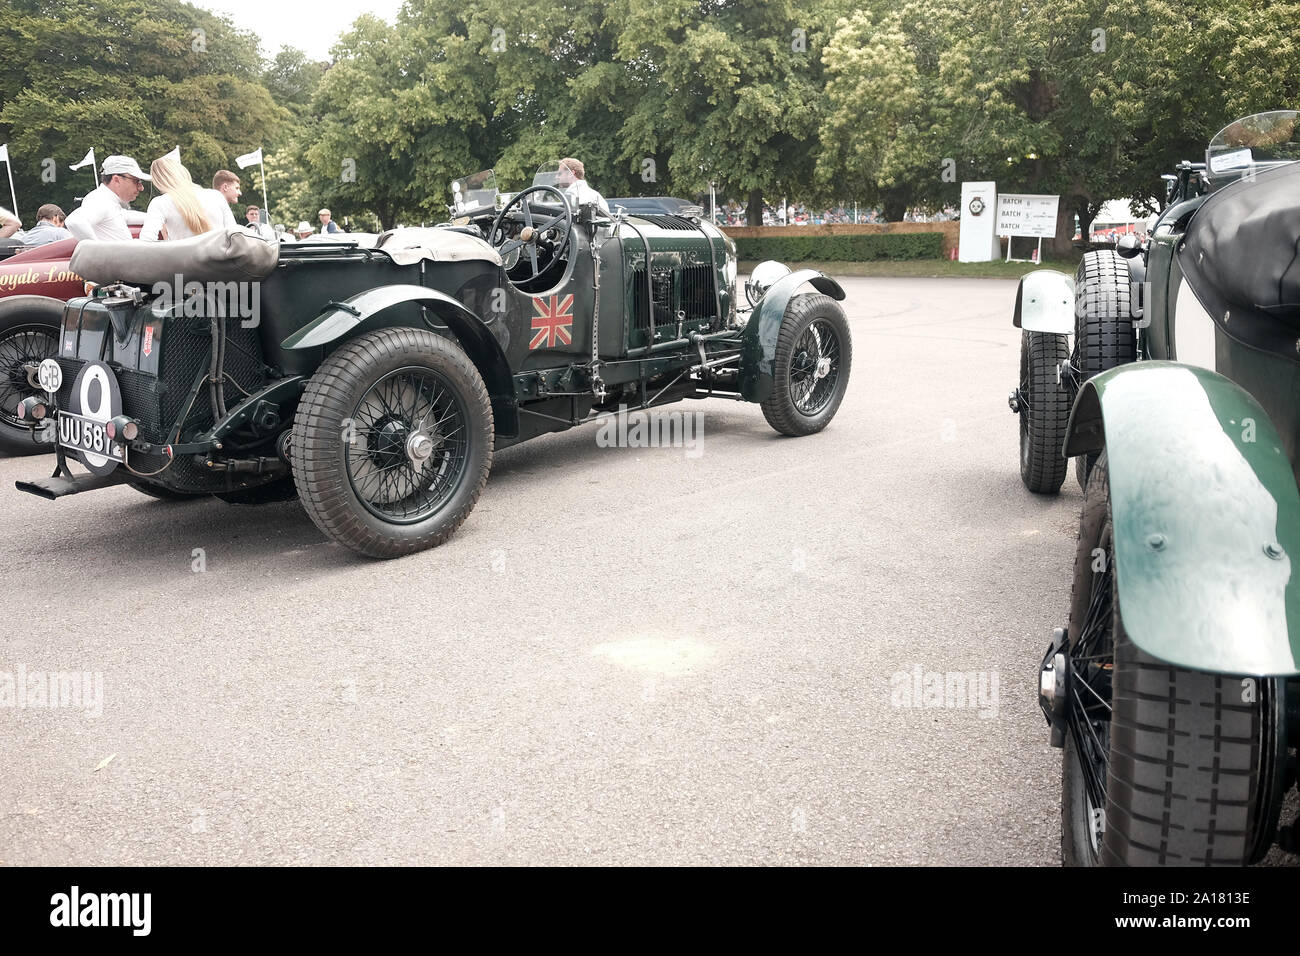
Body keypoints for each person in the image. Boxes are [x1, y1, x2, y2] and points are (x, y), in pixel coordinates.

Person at [139, 156, 236, 241]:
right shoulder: (216, 196)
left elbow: (146, 240)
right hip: (220, 259)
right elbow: (234, 234)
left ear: (158, 182)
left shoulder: (160, 203)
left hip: (182, 261)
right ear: (183, 172)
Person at [64, 155, 148, 241]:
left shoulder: (108, 202)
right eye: (136, 181)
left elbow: (126, 216)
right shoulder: (101, 201)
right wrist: (98, 251)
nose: (141, 188)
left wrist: (158, 217)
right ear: (116, 180)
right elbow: (75, 221)